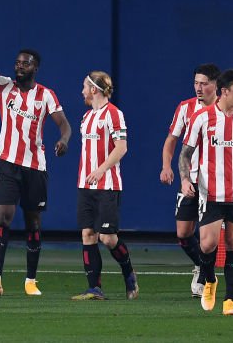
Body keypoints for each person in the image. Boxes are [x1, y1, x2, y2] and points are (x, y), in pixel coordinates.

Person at [0, 26, 72, 298]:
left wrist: (64, 140)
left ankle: (30, 280)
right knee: (2, 218)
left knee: (33, 223)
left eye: (25, 64)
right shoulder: (4, 86)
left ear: (35, 68)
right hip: (7, 163)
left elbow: (64, 124)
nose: (19, 67)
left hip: (35, 167)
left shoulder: (46, 95)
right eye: (17, 63)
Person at [179, 69, 233, 317]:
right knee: (207, 244)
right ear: (224, 91)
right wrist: (185, 179)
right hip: (211, 193)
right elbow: (185, 153)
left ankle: (229, 301)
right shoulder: (202, 118)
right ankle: (210, 280)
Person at [70, 72, 138, 301]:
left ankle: (128, 272)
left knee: (107, 238)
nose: (81, 92)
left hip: (108, 185)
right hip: (85, 185)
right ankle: (94, 288)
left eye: (84, 87)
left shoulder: (114, 115)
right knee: (88, 234)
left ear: (94, 90)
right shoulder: (85, 118)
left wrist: (101, 169)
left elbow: (122, 148)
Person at [159, 63, 220, 298]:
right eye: (196, 82)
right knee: (183, 234)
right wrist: (166, 166)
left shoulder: (225, 109)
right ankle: (201, 266)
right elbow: (171, 140)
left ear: (216, 85)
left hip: (216, 183)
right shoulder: (185, 107)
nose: (198, 87)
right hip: (190, 179)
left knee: (209, 237)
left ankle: (206, 278)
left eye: (204, 83)